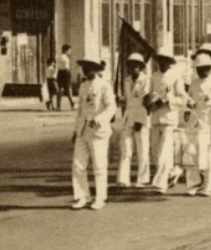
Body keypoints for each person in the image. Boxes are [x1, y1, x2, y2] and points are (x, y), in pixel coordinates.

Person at [71, 57, 117, 210]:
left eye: (89, 67)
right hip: (83, 130)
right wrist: (75, 130)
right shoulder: (83, 86)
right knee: (78, 165)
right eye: (84, 66)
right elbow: (79, 111)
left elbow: (111, 107)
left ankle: (100, 197)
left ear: (96, 69)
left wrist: (99, 119)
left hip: (98, 130)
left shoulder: (104, 85)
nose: (85, 70)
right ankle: (82, 196)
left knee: (99, 165)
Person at [185, 52, 211, 197]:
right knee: (191, 153)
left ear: (209, 68)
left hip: (210, 123)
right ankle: (194, 183)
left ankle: (208, 185)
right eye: (198, 68)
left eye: (205, 67)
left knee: (210, 155)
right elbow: (189, 104)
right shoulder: (194, 84)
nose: (202, 70)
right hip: (195, 122)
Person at [147, 48, 187, 193]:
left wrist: (167, 101)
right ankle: (173, 172)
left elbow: (183, 99)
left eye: (165, 60)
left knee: (164, 152)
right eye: (159, 60)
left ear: (170, 62)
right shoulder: (154, 76)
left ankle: (160, 183)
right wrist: (150, 102)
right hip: (155, 118)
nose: (161, 63)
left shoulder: (176, 76)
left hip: (170, 118)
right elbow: (150, 95)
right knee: (156, 153)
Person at [117, 53, 151, 188]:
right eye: (131, 65)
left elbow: (146, 101)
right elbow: (128, 100)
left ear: (141, 67)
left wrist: (140, 120)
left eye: (136, 65)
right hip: (128, 117)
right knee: (125, 147)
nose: (133, 68)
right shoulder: (127, 80)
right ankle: (123, 179)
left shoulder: (146, 80)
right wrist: (120, 100)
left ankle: (142, 179)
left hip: (141, 117)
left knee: (142, 149)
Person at [57, 44, 75, 110]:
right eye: (69, 50)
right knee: (69, 89)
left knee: (60, 89)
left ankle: (58, 106)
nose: (70, 52)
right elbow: (66, 67)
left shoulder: (59, 57)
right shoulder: (66, 58)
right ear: (65, 50)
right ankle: (72, 104)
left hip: (60, 72)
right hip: (65, 73)